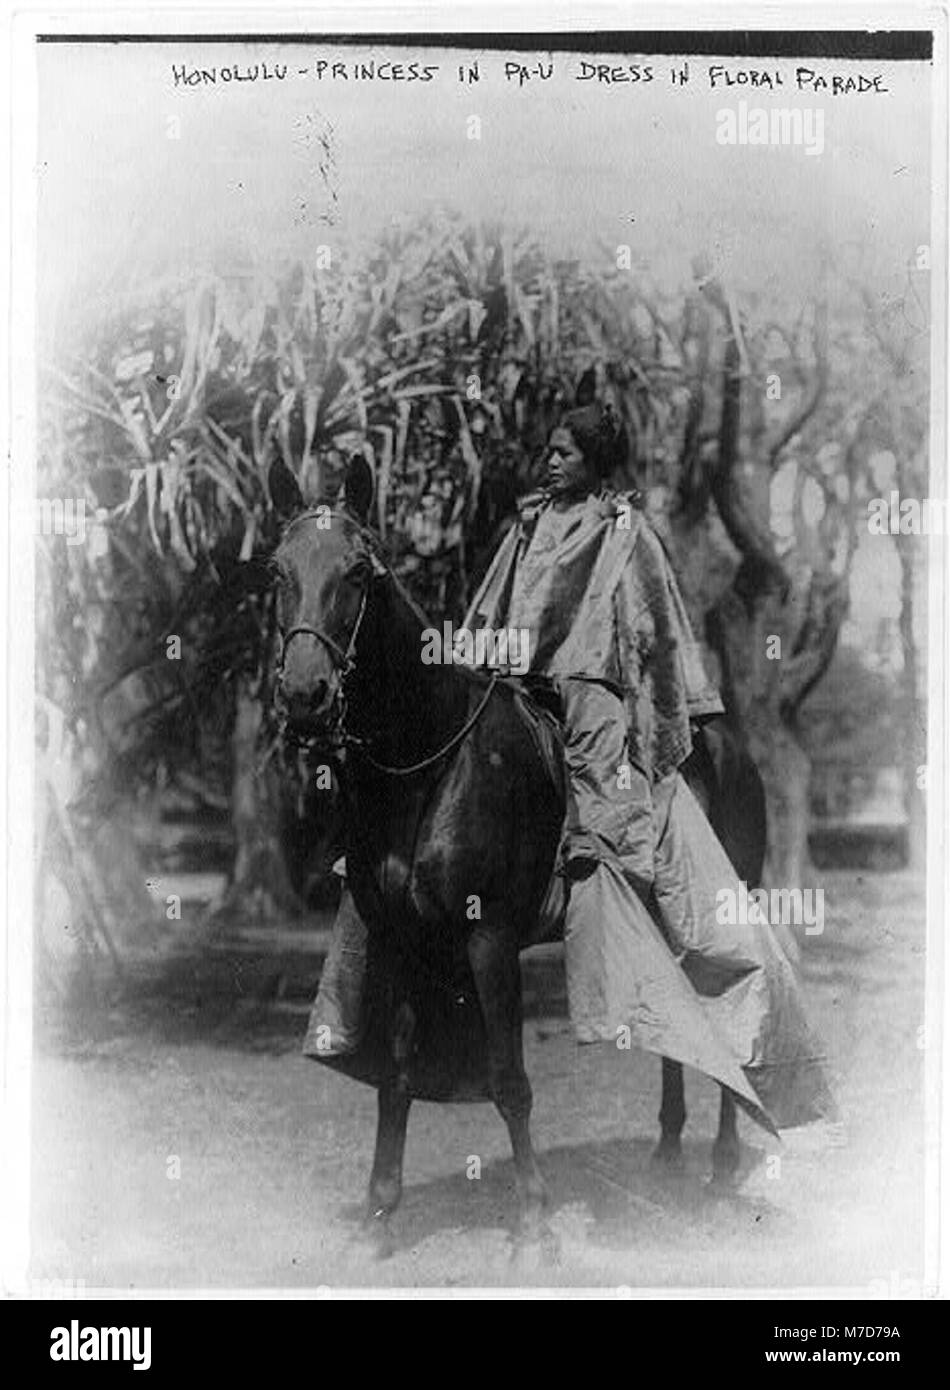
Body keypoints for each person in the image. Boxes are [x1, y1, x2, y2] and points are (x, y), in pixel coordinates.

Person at [306, 398, 833, 1130]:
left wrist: (622, 681)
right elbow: (494, 605)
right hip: (518, 675)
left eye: (566, 453)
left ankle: (602, 852)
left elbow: (653, 624)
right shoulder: (527, 522)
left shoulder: (625, 529)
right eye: (550, 451)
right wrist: (475, 657)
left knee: (595, 750)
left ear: (595, 461)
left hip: (593, 680)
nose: (551, 462)